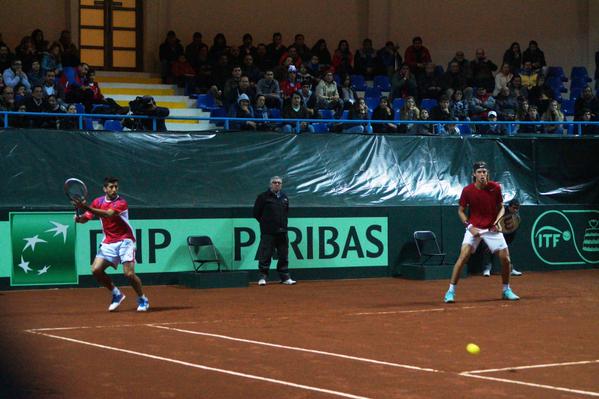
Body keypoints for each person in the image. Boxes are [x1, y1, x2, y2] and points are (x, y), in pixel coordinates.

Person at [443, 161, 520, 303]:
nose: (482, 175)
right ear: (474, 174)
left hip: (492, 229)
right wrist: (469, 226)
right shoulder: (467, 191)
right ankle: (450, 292)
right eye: (479, 172)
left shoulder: (495, 188)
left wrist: (497, 223)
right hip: (474, 228)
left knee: (506, 259)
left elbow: (501, 207)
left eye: (484, 172)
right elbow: (460, 211)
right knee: (463, 257)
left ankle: (506, 290)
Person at [73, 177, 149, 312]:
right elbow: (86, 218)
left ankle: (142, 298)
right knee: (96, 270)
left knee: (129, 274)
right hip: (108, 242)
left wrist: (85, 206)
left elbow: (108, 214)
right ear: (105, 189)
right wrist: (79, 219)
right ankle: (116, 293)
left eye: (116, 187)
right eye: (111, 187)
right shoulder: (97, 202)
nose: (114, 189)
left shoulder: (121, 203)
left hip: (125, 241)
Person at [253, 176, 296, 286]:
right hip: (268, 232)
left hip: (282, 232)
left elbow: (286, 213)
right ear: (270, 184)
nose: (277, 184)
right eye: (274, 182)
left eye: (279, 183)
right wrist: (266, 224)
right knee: (265, 255)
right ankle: (263, 277)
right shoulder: (263, 197)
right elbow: (256, 213)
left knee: (283, 255)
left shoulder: (284, 197)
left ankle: (285, 277)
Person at [483, 199, 523, 277]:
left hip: (508, 235)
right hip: (495, 233)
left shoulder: (517, 215)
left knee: (505, 252)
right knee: (488, 249)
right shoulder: (502, 211)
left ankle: (510, 269)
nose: (515, 210)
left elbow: (515, 226)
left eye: (517, 208)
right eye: (514, 208)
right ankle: (487, 269)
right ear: (509, 206)